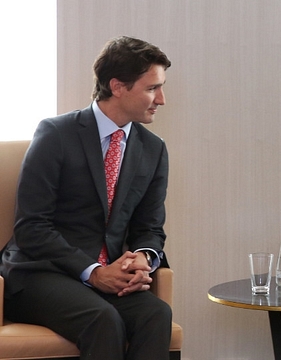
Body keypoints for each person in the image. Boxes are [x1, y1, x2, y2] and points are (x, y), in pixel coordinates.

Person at [0, 36, 173, 359]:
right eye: (152, 88)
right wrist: (93, 271)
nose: (161, 99)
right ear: (118, 86)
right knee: (102, 319)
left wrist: (143, 258)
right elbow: (31, 227)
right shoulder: (55, 134)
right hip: (41, 273)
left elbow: (150, 226)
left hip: (107, 276)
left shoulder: (153, 149)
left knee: (156, 313)